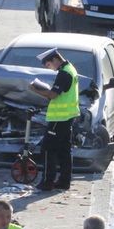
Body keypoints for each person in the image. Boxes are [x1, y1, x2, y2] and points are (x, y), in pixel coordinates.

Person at [30, 47, 78, 192]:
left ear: (55, 59)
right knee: (64, 150)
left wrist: (35, 89)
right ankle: (64, 181)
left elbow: (53, 95)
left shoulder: (64, 73)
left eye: (48, 65)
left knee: (47, 150)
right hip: (68, 116)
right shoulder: (71, 68)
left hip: (60, 118)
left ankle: (47, 182)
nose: (49, 68)